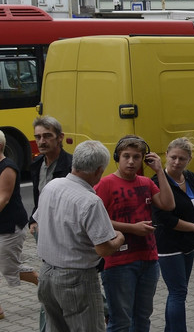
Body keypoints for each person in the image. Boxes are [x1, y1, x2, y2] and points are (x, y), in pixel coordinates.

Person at [33, 140, 125, 332]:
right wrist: (119, 238)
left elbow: (40, 225)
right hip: (76, 278)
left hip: (46, 274)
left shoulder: (52, 186)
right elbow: (104, 249)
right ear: (99, 170)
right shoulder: (90, 201)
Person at [95, 135, 174, 332]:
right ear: (117, 157)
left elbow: (168, 204)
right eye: (126, 156)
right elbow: (97, 220)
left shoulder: (146, 182)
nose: (131, 162)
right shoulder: (105, 184)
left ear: (143, 160)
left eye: (136, 157)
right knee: (120, 321)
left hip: (148, 259)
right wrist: (133, 228)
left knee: (142, 318)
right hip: (118, 262)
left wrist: (159, 171)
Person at [153, 138, 194, 332]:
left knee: (178, 292)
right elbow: (165, 218)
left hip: (188, 243)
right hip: (168, 244)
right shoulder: (157, 181)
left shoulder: (190, 177)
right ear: (165, 155)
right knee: (178, 292)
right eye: (173, 157)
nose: (176, 162)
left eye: (182, 159)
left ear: (189, 160)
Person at [0, 132, 37, 321]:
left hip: (10, 225)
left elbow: (4, 198)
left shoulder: (7, 167)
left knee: (10, 268)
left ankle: (47, 287)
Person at [28, 115, 72, 232]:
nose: (42, 141)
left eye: (47, 136)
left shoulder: (72, 165)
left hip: (64, 228)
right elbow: (39, 197)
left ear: (60, 137)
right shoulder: (37, 164)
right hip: (42, 227)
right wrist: (33, 220)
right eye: (38, 137)